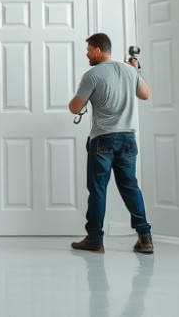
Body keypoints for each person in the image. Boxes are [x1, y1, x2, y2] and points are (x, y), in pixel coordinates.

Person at [68, 32, 153, 254]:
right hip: (127, 139)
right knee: (130, 186)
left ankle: (95, 239)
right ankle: (145, 238)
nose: (87, 54)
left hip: (103, 139)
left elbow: (74, 107)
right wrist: (135, 71)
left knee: (98, 189)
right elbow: (145, 95)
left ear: (97, 50)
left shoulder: (92, 75)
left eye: (88, 50)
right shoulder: (129, 71)